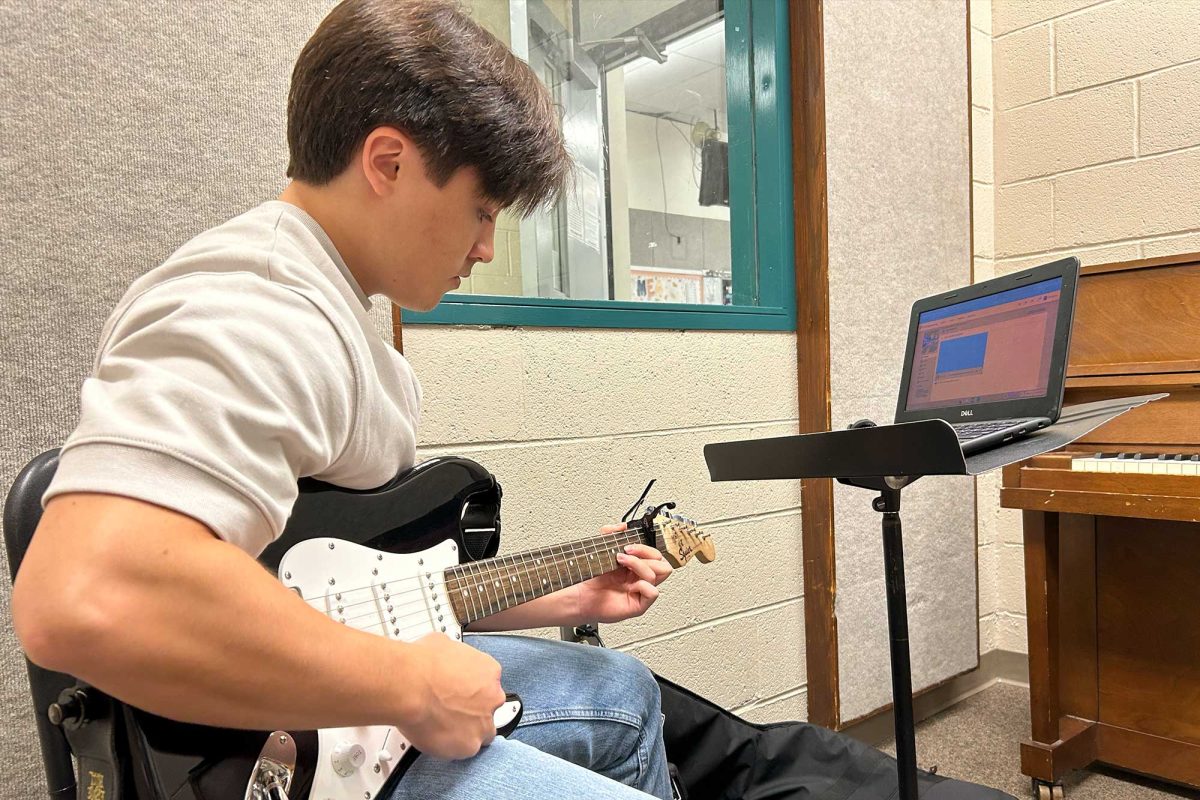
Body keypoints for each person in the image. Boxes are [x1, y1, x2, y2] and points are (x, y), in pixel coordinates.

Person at [10, 2, 675, 798]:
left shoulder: (339, 317)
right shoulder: (256, 306)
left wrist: (554, 594)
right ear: (388, 162)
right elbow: (84, 596)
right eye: (482, 210)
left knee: (625, 697)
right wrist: (412, 685)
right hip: (281, 755)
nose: (486, 247)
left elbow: (340, 589)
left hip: (342, 705)